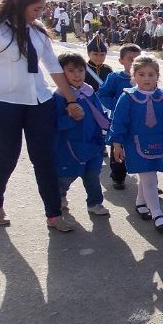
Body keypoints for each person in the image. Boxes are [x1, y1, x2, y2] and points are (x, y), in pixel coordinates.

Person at [0, 0, 84, 231]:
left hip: (39, 103)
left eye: (42, 9)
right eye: (36, 9)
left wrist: (71, 99)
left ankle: (54, 215)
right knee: (7, 157)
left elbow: (53, 67)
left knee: (44, 158)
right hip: (3, 105)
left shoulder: (38, 30)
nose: (40, 14)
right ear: (18, 3)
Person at [109, 56, 163, 232]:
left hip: (158, 143)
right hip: (135, 144)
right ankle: (157, 214)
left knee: (147, 176)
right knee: (150, 178)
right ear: (134, 76)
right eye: (141, 74)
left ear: (158, 76)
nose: (147, 78)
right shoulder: (127, 98)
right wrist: (116, 144)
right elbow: (118, 122)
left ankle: (141, 203)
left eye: (151, 74)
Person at [53, 52, 110, 216]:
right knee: (66, 177)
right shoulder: (59, 97)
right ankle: (60, 196)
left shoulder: (89, 91)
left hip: (92, 143)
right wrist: (71, 118)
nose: (77, 75)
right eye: (71, 71)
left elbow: (99, 113)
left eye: (80, 70)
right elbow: (56, 124)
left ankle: (95, 203)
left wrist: (107, 132)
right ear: (60, 74)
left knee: (93, 175)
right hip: (69, 146)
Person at [98, 43, 142, 190]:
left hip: (140, 123)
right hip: (120, 122)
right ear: (121, 61)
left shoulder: (147, 78)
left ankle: (148, 181)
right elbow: (103, 94)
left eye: (138, 59)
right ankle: (118, 176)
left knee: (144, 151)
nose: (135, 63)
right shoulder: (115, 78)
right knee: (119, 150)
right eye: (131, 59)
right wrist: (116, 106)